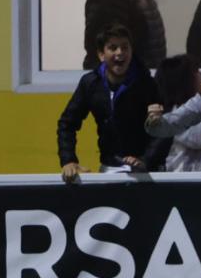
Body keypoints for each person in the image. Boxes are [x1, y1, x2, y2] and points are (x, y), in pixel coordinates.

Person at [57, 25, 159, 182]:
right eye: (113, 48)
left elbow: (164, 130)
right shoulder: (90, 83)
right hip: (108, 167)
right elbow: (67, 124)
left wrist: (146, 160)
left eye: (125, 47)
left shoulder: (146, 83)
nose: (120, 52)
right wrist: (69, 160)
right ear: (101, 55)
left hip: (147, 171)